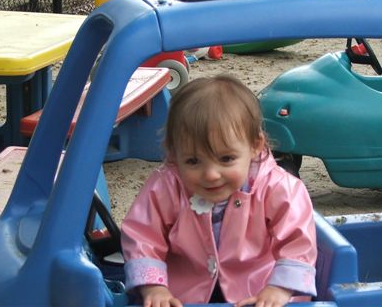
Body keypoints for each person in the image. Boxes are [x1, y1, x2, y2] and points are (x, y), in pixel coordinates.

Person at [121, 74, 317, 307]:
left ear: (255, 146)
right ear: (174, 152)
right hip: (182, 293)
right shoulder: (166, 187)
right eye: (193, 161)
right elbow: (142, 235)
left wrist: (280, 288)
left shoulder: (278, 188)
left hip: (258, 291)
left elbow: (298, 241)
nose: (211, 174)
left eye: (226, 159)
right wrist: (154, 287)